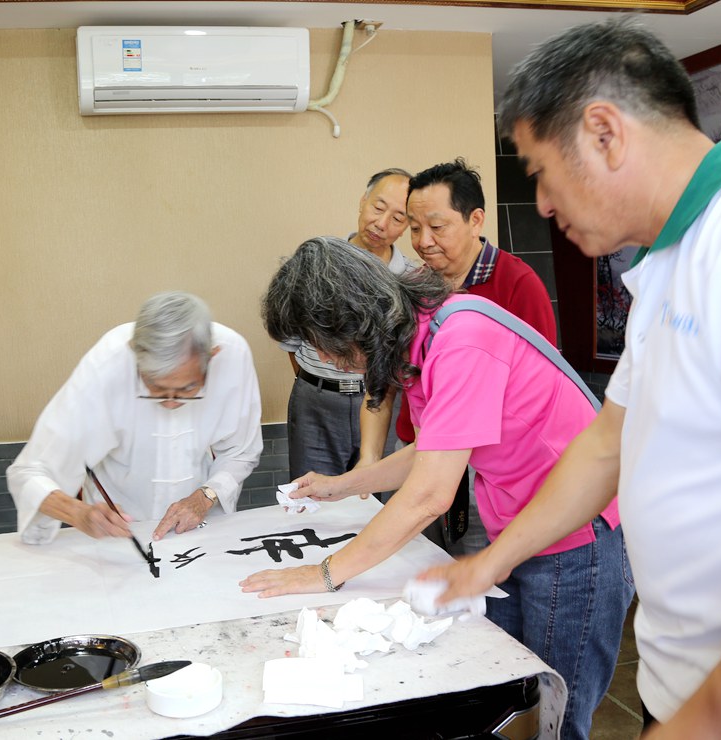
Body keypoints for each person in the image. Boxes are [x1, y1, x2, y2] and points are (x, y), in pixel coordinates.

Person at [423, 18, 721, 740]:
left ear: (604, 132)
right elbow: (609, 443)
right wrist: (491, 562)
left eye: (540, 171)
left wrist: (713, 718)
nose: (541, 204)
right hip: (688, 688)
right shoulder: (666, 264)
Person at [243, 237, 632, 740]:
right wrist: (344, 485)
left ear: (349, 321)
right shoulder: (423, 340)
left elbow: (431, 493)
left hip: (577, 537)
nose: (322, 358)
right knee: (510, 696)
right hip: (522, 530)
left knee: (556, 713)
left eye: (318, 343)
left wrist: (326, 573)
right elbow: (431, 451)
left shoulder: (460, 338)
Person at [360, 159, 557, 553]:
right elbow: (387, 380)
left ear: (475, 220)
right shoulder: (412, 287)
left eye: (437, 227)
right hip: (416, 451)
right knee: (413, 560)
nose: (423, 241)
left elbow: (545, 389)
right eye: (415, 228)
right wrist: (369, 458)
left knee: (478, 566)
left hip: (489, 465)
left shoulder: (518, 284)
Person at [7, 291, 262, 544]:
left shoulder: (233, 355)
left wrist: (206, 496)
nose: (171, 402)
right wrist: (78, 513)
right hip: (118, 531)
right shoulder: (106, 365)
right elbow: (28, 473)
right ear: (135, 357)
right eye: (156, 388)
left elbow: (240, 452)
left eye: (188, 389)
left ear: (212, 356)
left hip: (197, 526)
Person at [280, 168, 413, 480]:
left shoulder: (410, 279)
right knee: (310, 495)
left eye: (398, 218)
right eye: (378, 207)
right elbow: (290, 338)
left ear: (407, 226)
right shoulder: (319, 265)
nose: (382, 223)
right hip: (316, 402)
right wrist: (318, 378)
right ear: (363, 201)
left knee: (374, 493)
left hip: (382, 402)